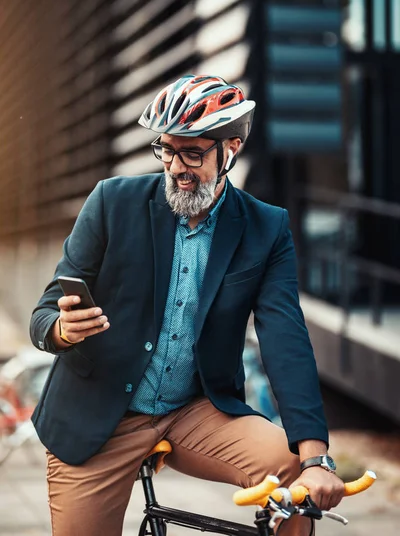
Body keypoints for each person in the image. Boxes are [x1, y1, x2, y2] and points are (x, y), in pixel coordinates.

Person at [30, 74, 344, 536]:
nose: (177, 166)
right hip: (98, 417)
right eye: (168, 150)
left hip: (194, 411)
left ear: (231, 148)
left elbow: (286, 339)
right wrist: (61, 329)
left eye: (193, 152)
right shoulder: (111, 202)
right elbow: (44, 314)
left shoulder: (266, 227)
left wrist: (317, 457)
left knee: (295, 476)